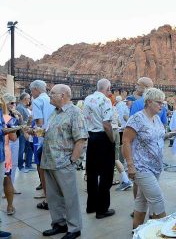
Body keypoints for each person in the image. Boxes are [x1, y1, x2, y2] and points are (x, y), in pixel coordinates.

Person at [122, 88, 176, 229]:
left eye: (163, 103)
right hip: (141, 167)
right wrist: (130, 165)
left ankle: (136, 232)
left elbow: (158, 137)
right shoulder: (137, 118)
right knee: (157, 200)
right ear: (148, 102)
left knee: (141, 202)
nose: (162, 105)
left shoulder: (156, 119)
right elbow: (126, 141)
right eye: (159, 102)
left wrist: (173, 133)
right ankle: (166, 232)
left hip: (155, 168)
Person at [41, 84, 88, 239]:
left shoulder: (75, 113)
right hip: (49, 161)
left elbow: (81, 140)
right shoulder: (54, 113)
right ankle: (59, 224)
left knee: (70, 198)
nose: (49, 95)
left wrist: (72, 161)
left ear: (63, 95)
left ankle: (74, 228)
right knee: (53, 198)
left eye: (52, 93)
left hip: (64, 163)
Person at [83, 78, 116, 219]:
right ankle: (102, 209)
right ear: (107, 88)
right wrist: (112, 139)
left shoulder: (87, 99)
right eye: (110, 89)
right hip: (103, 137)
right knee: (106, 174)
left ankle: (91, 205)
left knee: (91, 173)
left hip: (91, 137)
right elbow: (106, 124)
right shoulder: (106, 101)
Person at [30, 79, 56, 210]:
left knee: (43, 170)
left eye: (31, 91)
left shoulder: (37, 101)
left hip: (43, 141)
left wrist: (30, 131)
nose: (31, 94)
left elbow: (39, 123)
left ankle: (48, 200)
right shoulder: (52, 99)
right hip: (56, 138)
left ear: (35, 89)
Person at [0, 96, 15, 238]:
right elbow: (14, 138)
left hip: (2, 153)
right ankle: (10, 206)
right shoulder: (7, 117)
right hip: (4, 152)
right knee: (7, 179)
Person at [3, 93, 23, 190]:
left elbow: (20, 126)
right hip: (7, 141)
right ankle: (6, 188)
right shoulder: (4, 114)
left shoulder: (13, 113)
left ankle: (11, 186)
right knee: (7, 164)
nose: (13, 105)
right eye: (11, 103)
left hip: (15, 139)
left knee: (14, 164)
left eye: (14, 103)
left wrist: (20, 117)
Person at [16, 92, 32, 172]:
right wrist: (24, 132)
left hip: (25, 131)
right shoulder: (20, 107)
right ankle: (20, 166)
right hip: (22, 133)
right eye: (29, 98)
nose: (29, 100)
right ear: (25, 99)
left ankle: (27, 165)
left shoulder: (23, 107)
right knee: (21, 150)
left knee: (27, 149)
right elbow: (20, 121)